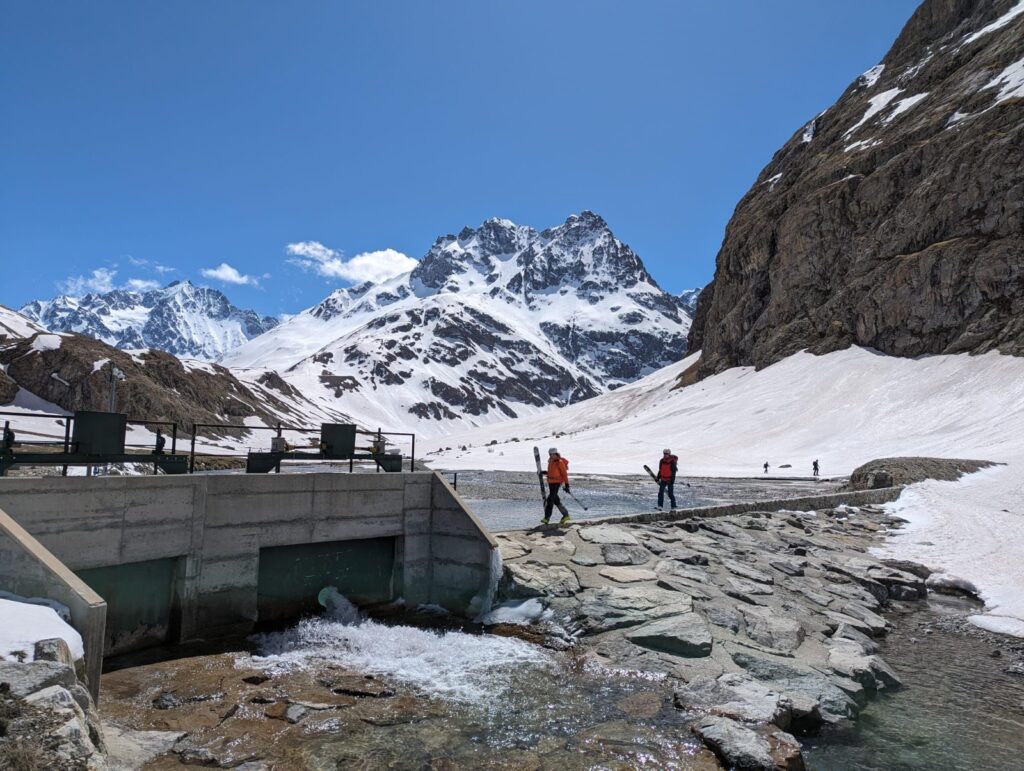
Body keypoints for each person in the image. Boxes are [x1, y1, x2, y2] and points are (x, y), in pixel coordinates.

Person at [543, 448, 571, 525]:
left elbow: (564, 474)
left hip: (557, 483)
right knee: (556, 500)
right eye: (550, 454)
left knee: (550, 500)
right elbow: (552, 472)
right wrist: (545, 472)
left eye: (552, 454)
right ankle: (566, 515)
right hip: (551, 483)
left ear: (556, 454)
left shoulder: (560, 462)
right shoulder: (551, 461)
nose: (551, 455)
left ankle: (546, 518)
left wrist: (567, 485)